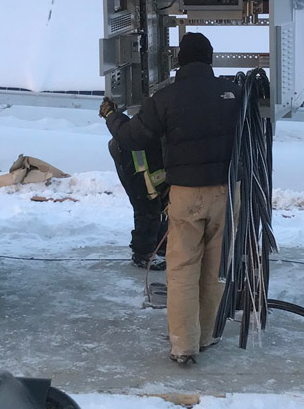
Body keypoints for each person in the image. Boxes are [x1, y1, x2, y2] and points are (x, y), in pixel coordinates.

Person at [99, 32, 242, 366]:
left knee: (182, 270)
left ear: (179, 62)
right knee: (214, 269)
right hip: (226, 194)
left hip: (186, 195)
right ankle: (207, 336)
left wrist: (111, 116)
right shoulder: (234, 94)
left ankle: (184, 346)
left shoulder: (166, 98)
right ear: (210, 59)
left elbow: (132, 138)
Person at [107, 136, 167, 270]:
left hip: (150, 152)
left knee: (162, 200)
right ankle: (143, 253)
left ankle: (159, 245)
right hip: (135, 152)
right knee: (146, 201)